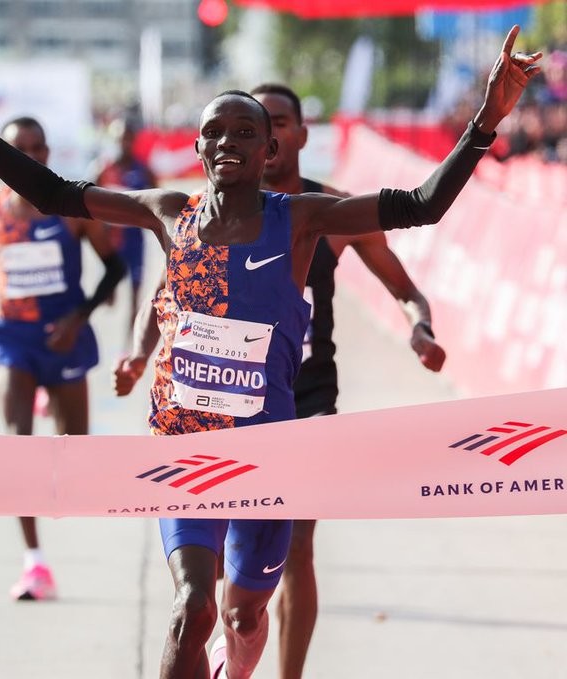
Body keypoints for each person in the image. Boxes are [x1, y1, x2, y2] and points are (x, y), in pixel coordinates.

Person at [0, 27, 540, 678]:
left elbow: (422, 205)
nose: (226, 142)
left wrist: (486, 120)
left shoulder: (300, 218)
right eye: (213, 132)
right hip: (182, 450)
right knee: (192, 605)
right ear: (198, 146)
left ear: (270, 149)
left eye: (244, 132)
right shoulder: (169, 212)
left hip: (268, 453)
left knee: (242, 619)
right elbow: (54, 194)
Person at [113, 82, 448, 679]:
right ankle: (219, 641)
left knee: (292, 553)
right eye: (223, 130)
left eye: (269, 123)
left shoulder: (325, 212)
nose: (235, 140)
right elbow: (167, 291)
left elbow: (405, 280)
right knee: (202, 588)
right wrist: (139, 353)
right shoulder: (197, 218)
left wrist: (419, 327)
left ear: (288, 137)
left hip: (303, 402)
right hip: (207, 414)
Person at [0, 115, 126, 600]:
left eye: (37, 148)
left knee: (75, 454)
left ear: (49, 154)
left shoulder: (70, 209)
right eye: (19, 148)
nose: (29, 156)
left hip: (63, 339)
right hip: (13, 339)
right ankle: (34, 562)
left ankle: (49, 396)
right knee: (20, 451)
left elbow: (114, 269)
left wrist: (79, 316)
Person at [91, 117, 157, 333]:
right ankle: (110, 294)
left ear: (133, 139)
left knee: (136, 294)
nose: (124, 143)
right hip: (111, 239)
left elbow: (159, 200)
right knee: (109, 294)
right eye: (120, 139)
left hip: (134, 238)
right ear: (113, 139)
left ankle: (130, 342)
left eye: (128, 138)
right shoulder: (103, 168)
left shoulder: (143, 170)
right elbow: (85, 198)